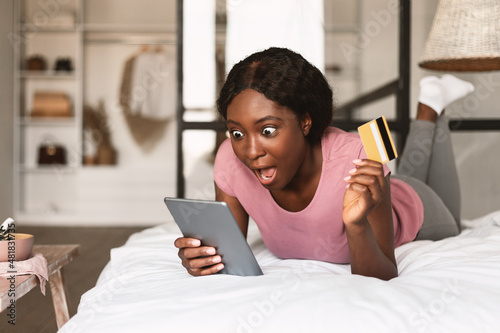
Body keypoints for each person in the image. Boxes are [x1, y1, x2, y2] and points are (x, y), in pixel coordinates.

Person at [174, 47, 474, 280]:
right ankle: (431, 103)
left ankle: (431, 110)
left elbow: (383, 273)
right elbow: (229, 254)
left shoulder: (356, 156)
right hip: (383, 183)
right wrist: (203, 258)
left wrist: (355, 225)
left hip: (418, 209)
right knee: (405, 170)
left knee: (450, 216)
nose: (250, 151)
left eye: (268, 130)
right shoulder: (230, 158)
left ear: (306, 121)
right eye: (237, 132)